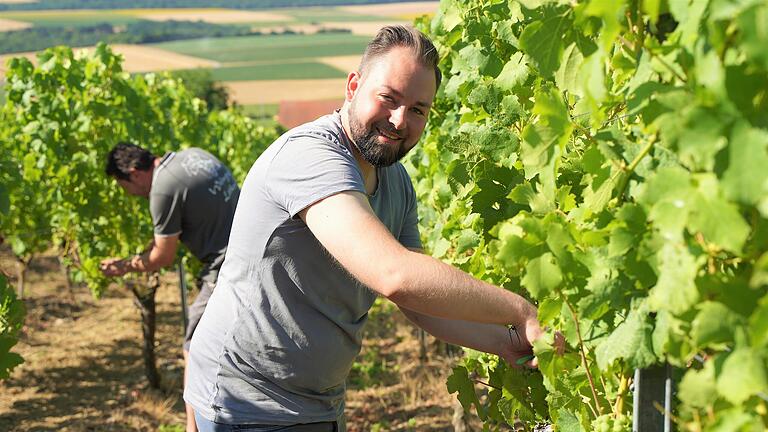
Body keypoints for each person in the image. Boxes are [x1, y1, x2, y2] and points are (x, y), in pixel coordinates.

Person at [186, 25, 560, 432]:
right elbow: (393, 275)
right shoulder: (310, 157)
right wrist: (520, 311)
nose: (400, 120)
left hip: (318, 400)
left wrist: (505, 344)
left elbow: (417, 300)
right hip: (247, 399)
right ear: (353, 86)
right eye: (389, 98)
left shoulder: (396, 181)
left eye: (418, 109)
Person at [100, 142, 239, 432]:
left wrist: (123, 266)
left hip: (227, 265)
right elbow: (164, 236)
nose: (126, 193)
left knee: (195, 346)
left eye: (122, 184)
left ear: (134, 173)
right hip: (247, 247)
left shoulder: (162, 189)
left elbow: (163, 256)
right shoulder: (194, 156)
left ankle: (194, 427)